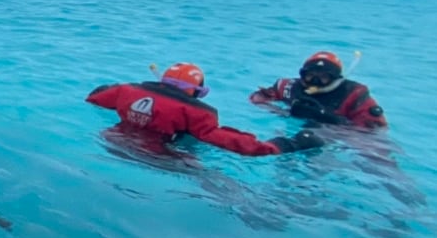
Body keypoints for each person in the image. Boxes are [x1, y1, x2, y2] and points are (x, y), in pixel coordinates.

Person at [86, 62, 323, 156]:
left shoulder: (126, 91)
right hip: (157, 156)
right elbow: (227, 141)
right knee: (213, 179)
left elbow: (95, 98)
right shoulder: (196, 113)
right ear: (195, 91)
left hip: (110, 142)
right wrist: (284, 145)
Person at [249, 51, 387, 129]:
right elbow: (257, 99)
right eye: (310, 76)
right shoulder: (288, 87)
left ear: (335, 78)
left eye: (323, 77)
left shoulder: (353, 94)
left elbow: (375, 132)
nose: (315, 82)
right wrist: (285, 112)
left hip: (335, 137)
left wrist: (331, 120)